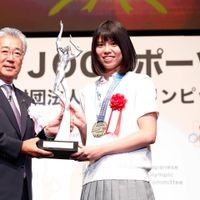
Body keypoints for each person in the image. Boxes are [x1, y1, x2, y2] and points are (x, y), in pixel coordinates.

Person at [70, 20, 159, 200]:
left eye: (113, 43)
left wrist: (102, 149)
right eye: (100, 45)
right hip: (93, 178)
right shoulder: (87, 91)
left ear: (124, 47)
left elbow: (148, 134)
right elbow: (95, 140)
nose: (106, 50)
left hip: (129, 176)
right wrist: (82, 126)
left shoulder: (140, 82)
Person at [0, 27, 63, 200]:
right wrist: (20, 147)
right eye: (5, 51)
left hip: (21, 192)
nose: (10, 59)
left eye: (17, 53)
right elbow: (22, 146)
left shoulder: (26, 100)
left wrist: (48, 132)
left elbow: (30, 142)